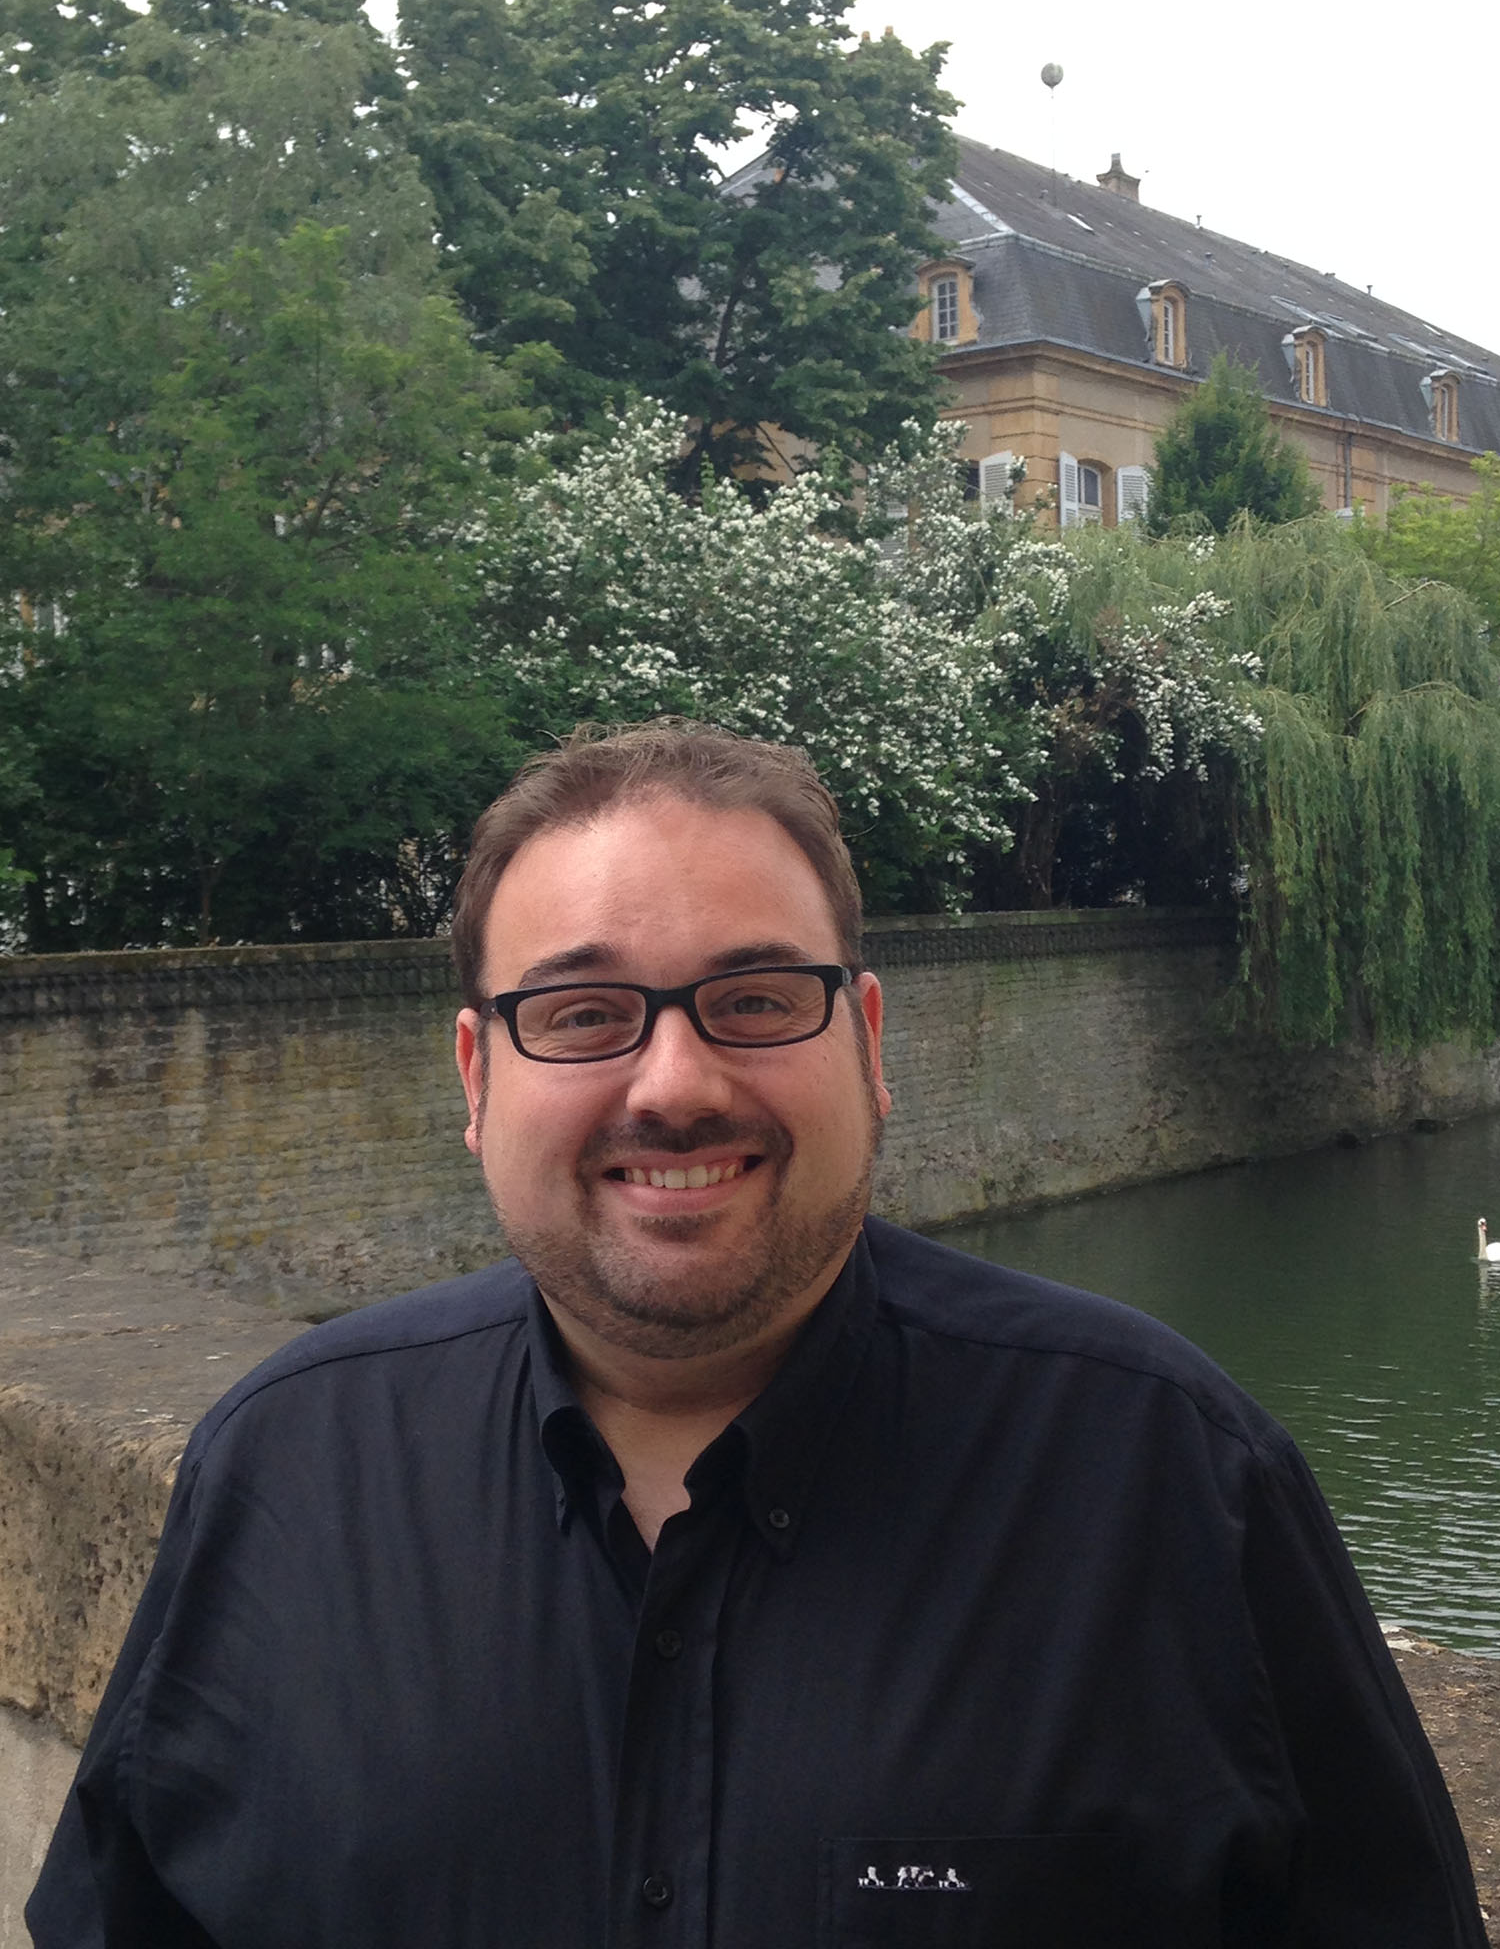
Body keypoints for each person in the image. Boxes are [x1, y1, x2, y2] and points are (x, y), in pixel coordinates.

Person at [30, 720, 1485, 1947]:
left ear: (870, 1044)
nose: (674, 1084)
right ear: (476, 1076)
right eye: (583, 1013)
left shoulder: (1170, 1474)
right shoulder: (286, 1470)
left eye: (756, 1000)